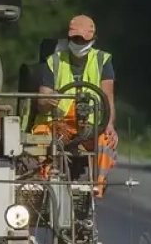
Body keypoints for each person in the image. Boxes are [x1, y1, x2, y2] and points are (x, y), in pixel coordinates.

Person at [31, 15, 118, 197]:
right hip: (58, 124)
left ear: (92, 40)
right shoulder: (54, 61)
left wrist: (109, 125)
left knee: (105, 141)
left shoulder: (102, 60)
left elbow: (108, 97)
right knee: (40, 137)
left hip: (89, 127)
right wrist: (48, 100)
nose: (78, 42)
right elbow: (42, 100)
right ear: (68, 38)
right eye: (74, 39)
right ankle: (45, 182)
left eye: (82, 39)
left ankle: (97, 185)